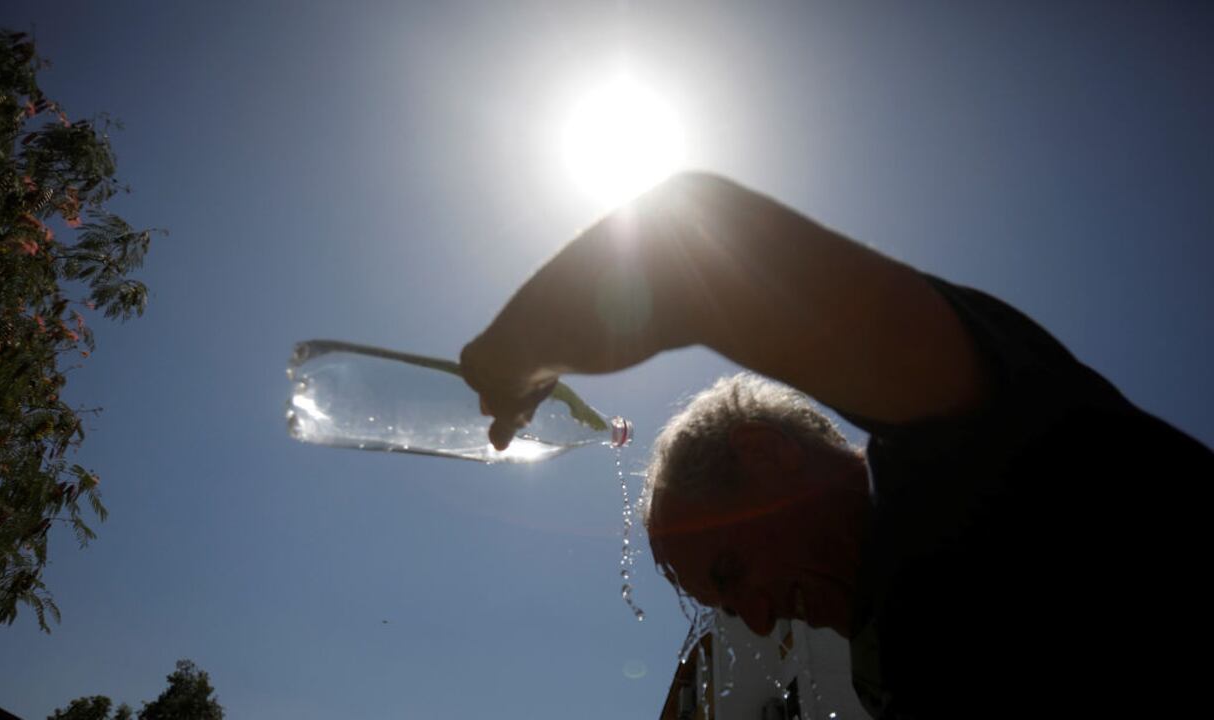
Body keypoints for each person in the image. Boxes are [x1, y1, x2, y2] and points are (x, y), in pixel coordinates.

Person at [459, 173, 1213, 718]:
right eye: (722, 602)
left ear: (768, 454)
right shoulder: (881, 662)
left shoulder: (954, 445)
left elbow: (683, 239)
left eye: (730, 572)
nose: (754, 620)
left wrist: (513, 355)